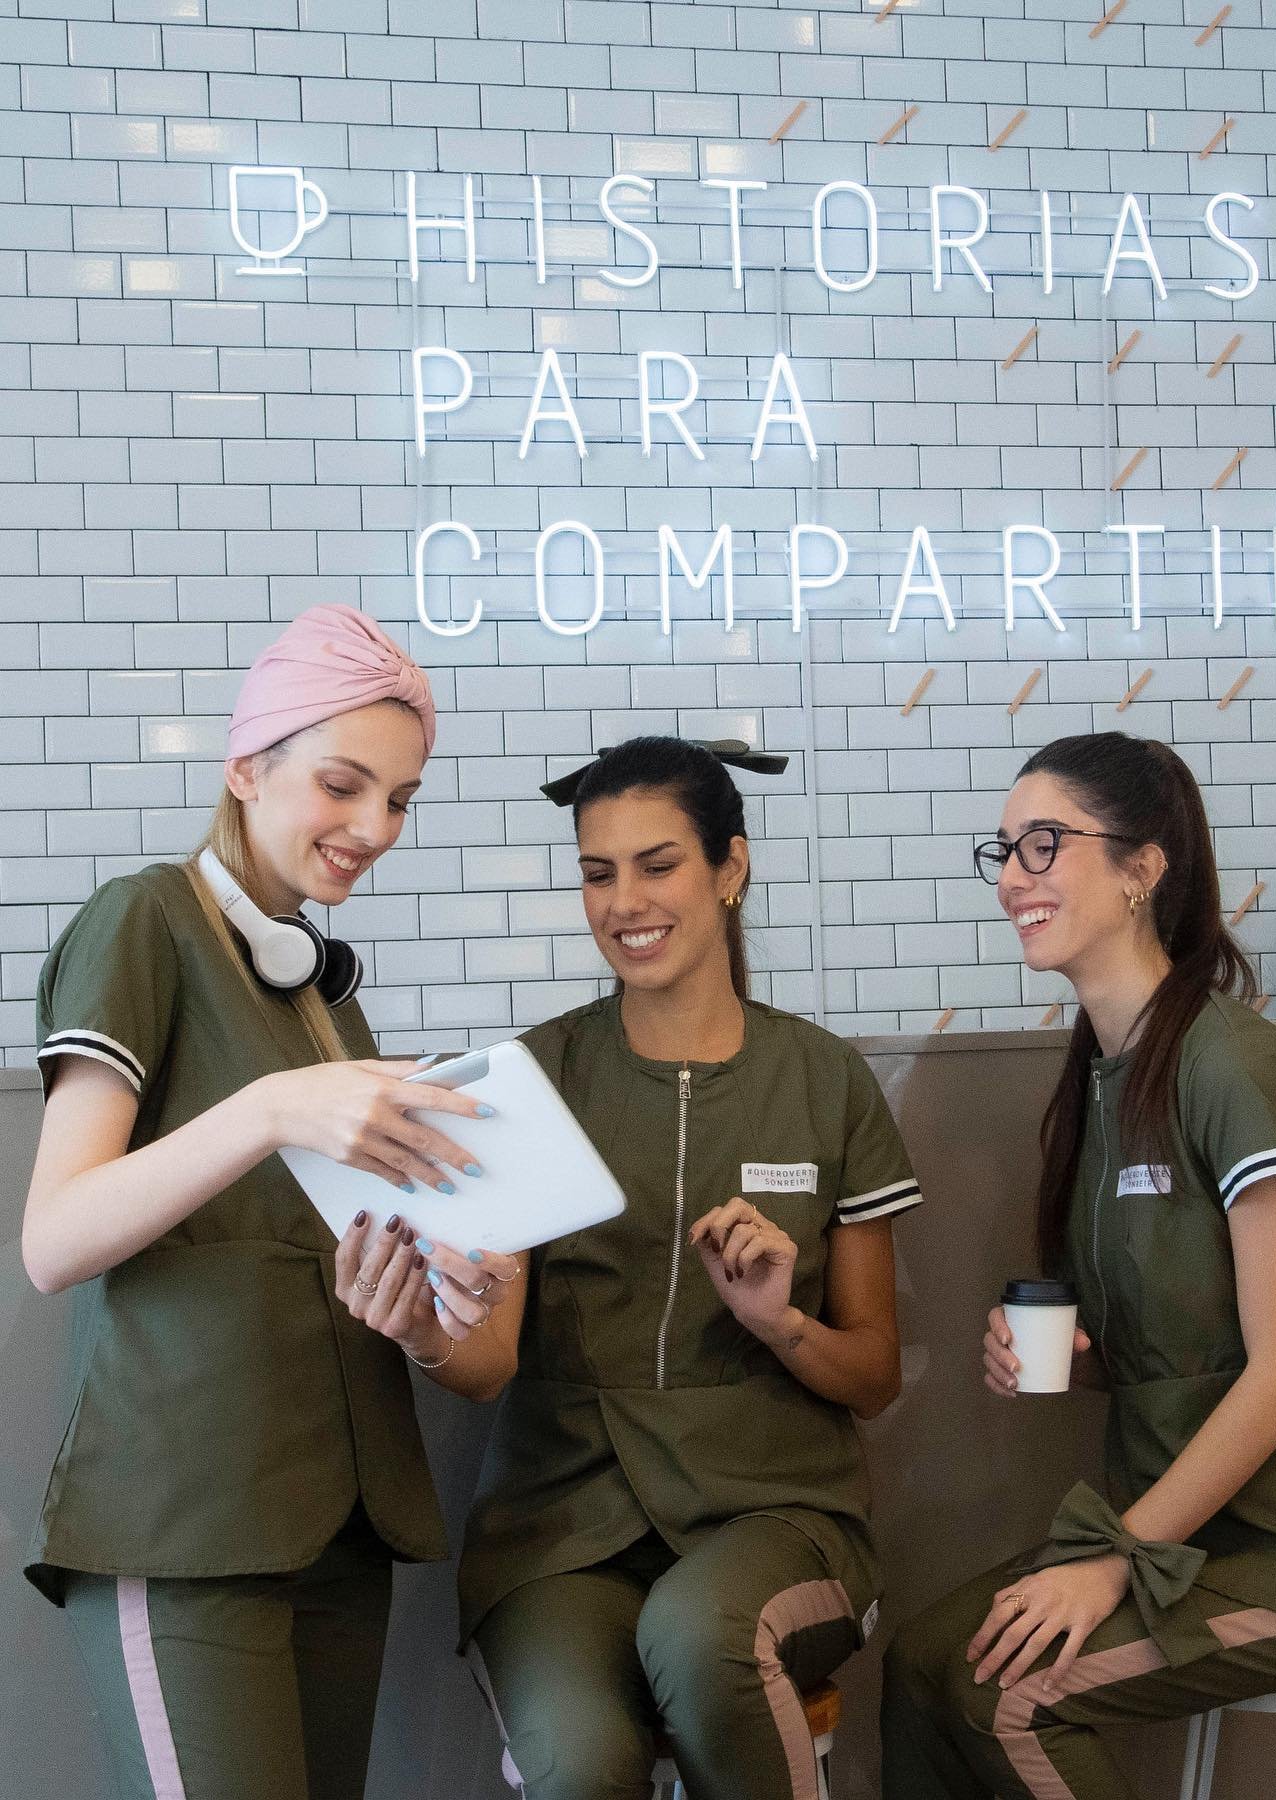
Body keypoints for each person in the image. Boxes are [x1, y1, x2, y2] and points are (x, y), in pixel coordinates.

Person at [881, 731, 1276, 1799]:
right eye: (1001, 852)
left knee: (1003, 1694)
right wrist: (1075, 1359)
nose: (1011, 879)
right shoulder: (1101, 1079)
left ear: (1143, 866)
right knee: (920, 1662)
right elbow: (1181, 1345)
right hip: (1195, 1536)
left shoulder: (1233, 1065)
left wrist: (1115, 1557)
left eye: (1042, 845)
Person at [21, 604, 519, 1800]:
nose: (373, 828)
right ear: (247, 766)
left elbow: (417, 1310)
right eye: (344, 785)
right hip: (183, 1523)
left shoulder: (328, 1007)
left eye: (399, 799)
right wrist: (270, 1110)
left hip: (336, 1524)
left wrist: (425, 1310)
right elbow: (53, 1237)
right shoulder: (143, 923)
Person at [434, 735, 923, 1800]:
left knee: (699, 1636)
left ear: (729, 870)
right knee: (581, 1762)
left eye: (657, 864)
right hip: (561, 1532)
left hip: (776, 1514)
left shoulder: (826, 1081)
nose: (625, 901)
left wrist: (780, 1324)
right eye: (597, 872)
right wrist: (423, 1322)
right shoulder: (533, 1080)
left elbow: (876, 1374)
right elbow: (483, 1363)